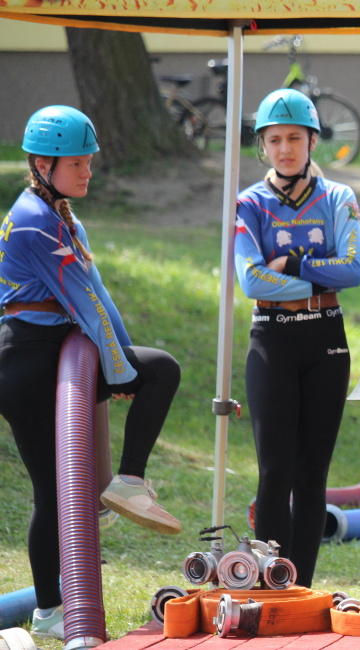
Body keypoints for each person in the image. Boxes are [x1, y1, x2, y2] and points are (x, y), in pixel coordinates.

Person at [0, 105, 182, 639]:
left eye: (89, 161)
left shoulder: (62, 215)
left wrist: (120, 361)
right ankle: (49, 610)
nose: (88, 171)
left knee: (159, 370)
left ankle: (129, 482)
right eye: (77, 163)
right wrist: (120, 370)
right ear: (43, 165)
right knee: (52, 492)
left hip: (55, 355)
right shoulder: (35, 222)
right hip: (24, 362)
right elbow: (86, 304)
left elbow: (100, 295)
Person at [234, 88, 360, 588]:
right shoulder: (250, 202)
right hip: (272, 340)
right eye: (274, 140)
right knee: (274, 473)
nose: (285, 149)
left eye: (294, 138)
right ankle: (272, 588)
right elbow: (251, 280)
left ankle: (301, 589)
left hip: (325, 339)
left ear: (312, 140)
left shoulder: (338, 198)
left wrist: (290, 263)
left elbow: (353, 270)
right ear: (262, 145)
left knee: (312, 476)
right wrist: (317, 278)